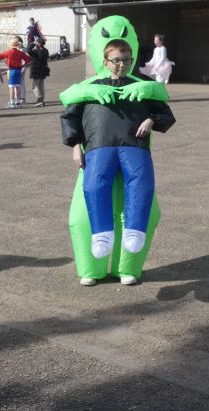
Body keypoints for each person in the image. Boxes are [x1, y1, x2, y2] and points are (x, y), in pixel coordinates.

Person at [60, 15, 175, 287]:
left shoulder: (145, 88)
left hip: (133, 152)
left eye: (126, 58)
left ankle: (129, 267)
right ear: (104, 58)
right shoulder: (85, 89)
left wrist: (151, 116)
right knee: (83, 212)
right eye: (115, 59)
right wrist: (75, 145)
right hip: (97, 154)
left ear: (132, 55)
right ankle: (91, 267)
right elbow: (70, 113)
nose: (121, 64)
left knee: (140, 204)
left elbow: (164, 112)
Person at [0, 37, 31, 108]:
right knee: (18, 86)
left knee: (11, 87)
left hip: (11, 70)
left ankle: (12, 102)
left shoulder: (8, 52)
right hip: (18, 70)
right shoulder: (20, 52)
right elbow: (28, 59)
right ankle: (18, 101)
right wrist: (23, 65)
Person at [28, 37, 50, 107]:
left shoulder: (37, 51)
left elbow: (28, 50)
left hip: (36, 70)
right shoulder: (45, 50)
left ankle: (39, 99)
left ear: (39, 44)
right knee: (41, 86)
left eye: (37, 42)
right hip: (42, 70)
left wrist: (32, 44)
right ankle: (42, 99)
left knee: (35, 86)